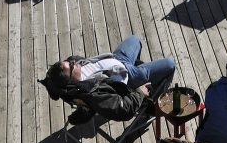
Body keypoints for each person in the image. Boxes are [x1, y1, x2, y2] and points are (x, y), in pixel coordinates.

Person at [43, 35, 177, 124]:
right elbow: (123, 111)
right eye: (71, 65)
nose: (73, 61)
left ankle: (142, 74)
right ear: (71, 80)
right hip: (129, 77)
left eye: (69, 61)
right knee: (170, 64)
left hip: (117, 59)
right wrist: (140, 93)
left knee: (135, 40)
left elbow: (55, 78)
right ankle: (149, 106)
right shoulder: (93, 92)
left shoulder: (74, 69)